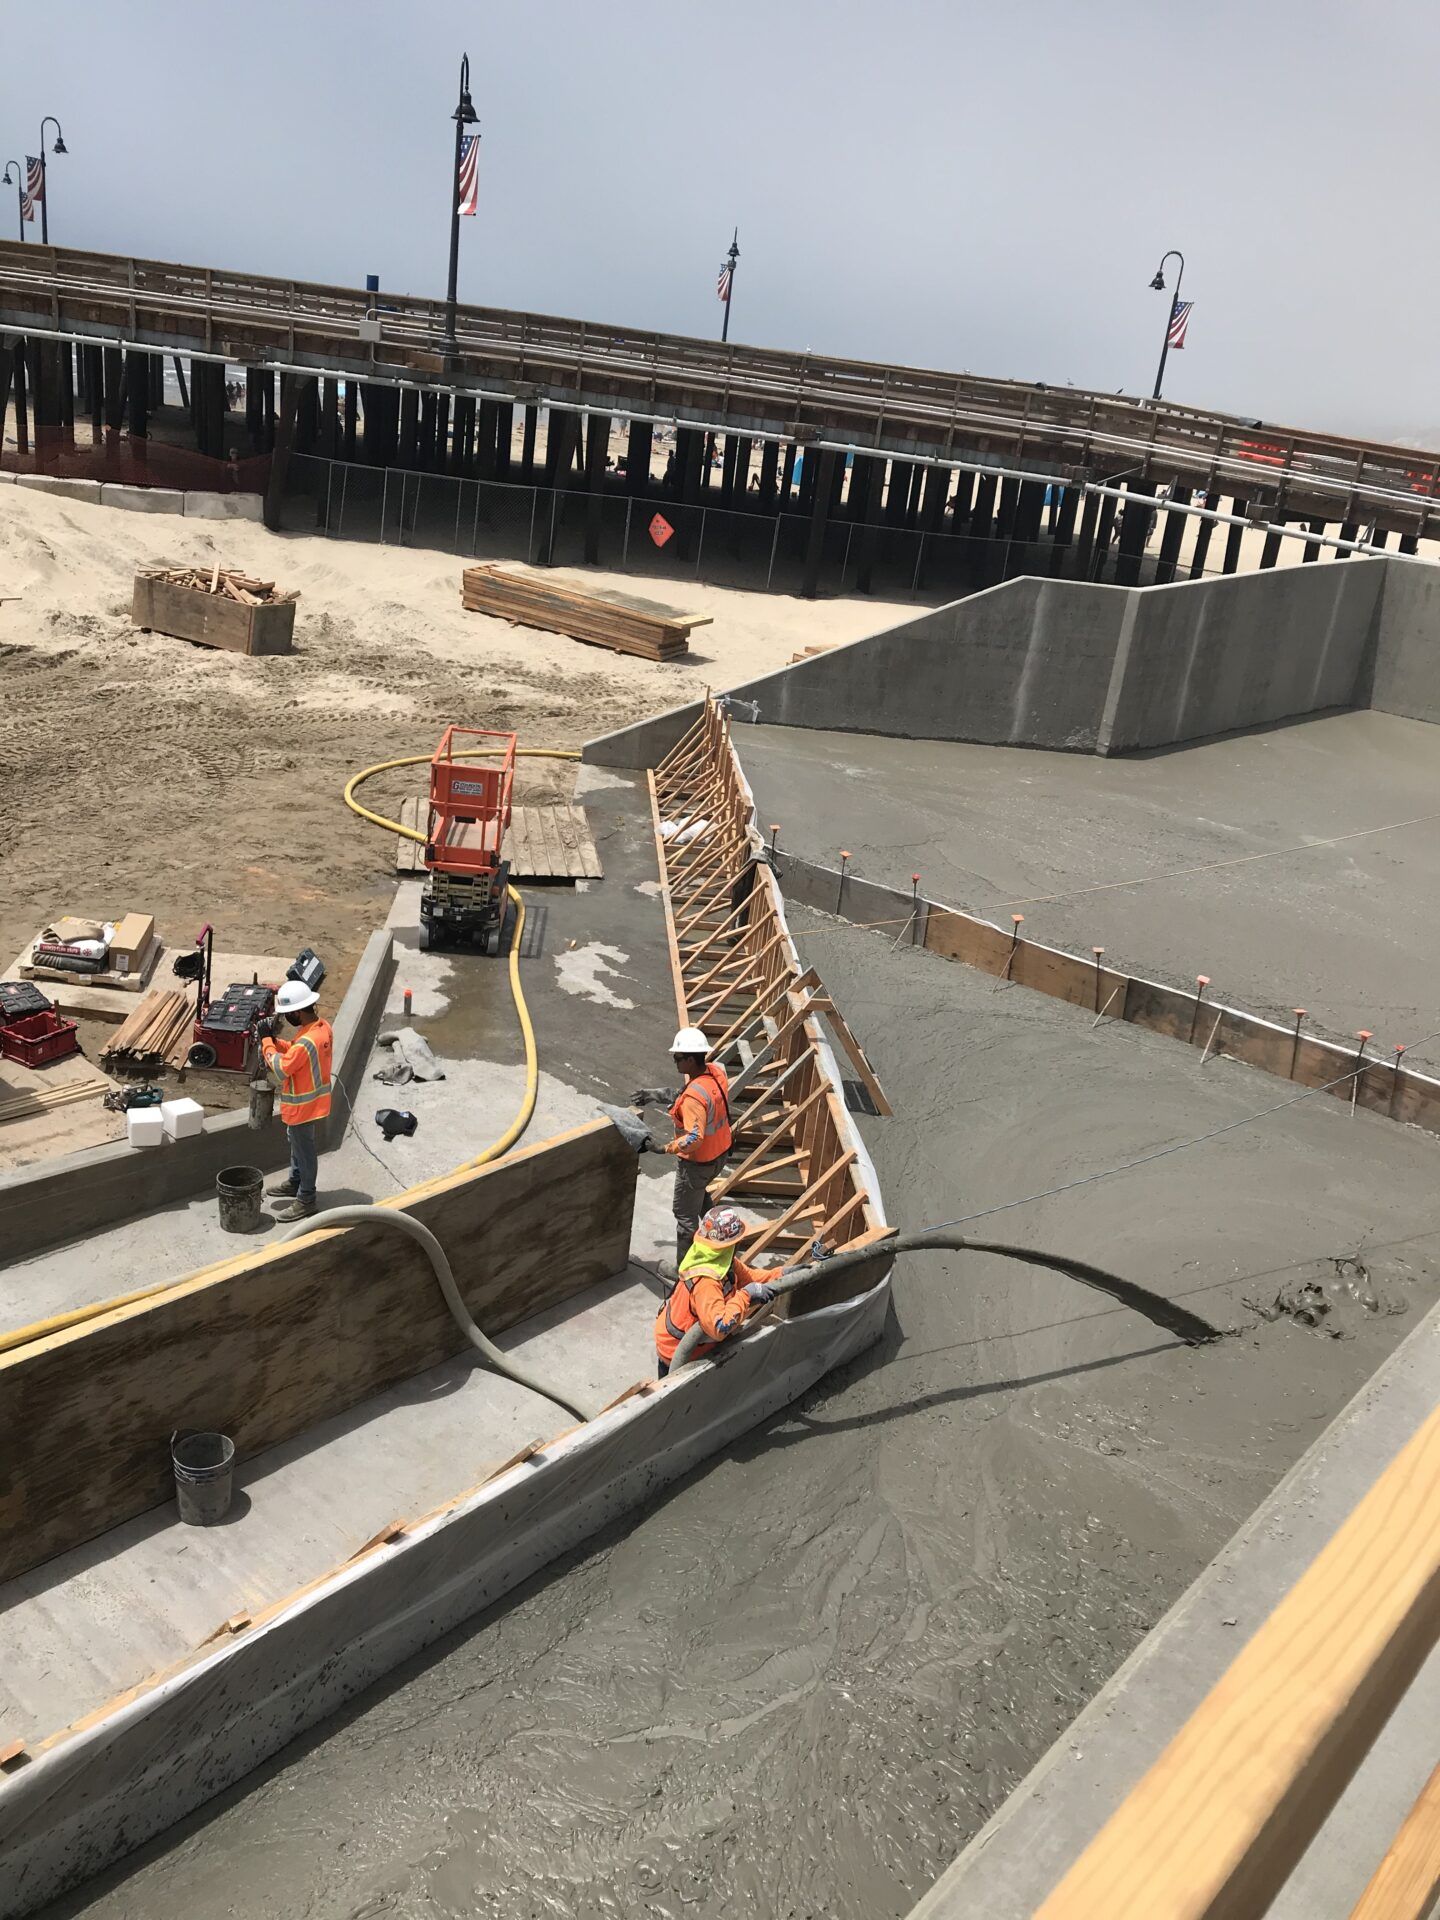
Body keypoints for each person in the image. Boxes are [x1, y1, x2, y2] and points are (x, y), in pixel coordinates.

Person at [654, 1205, 777, 1377]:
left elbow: (752, 1277)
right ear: (732, 1244)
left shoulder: (722, 1262)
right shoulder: (706, 1282)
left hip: (693, 1347)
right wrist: (746, 1295)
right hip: (677, 1354)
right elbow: (720, 1327)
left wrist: (783, 1273)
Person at [260, 979, 334, 1222]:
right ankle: (295, 1182)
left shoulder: (306, 1042)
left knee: (304, 1151)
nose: (286, 1019)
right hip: (313, 1103)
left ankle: (306, 1199)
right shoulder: (321, 1028)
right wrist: (275, 1041)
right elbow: (293, 1049)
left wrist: (266, 1043)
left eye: (288, 1014)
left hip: (303, 1106)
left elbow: (281, 1068)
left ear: (298, 1012)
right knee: (297, 1143)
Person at [662, 1025, 732, 1264]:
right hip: (720, 1155)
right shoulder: (716, 1073)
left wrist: (666, 1147)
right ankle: (722, 1235)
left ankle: (684, 1273)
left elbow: (694, 1139)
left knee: (684, 1217)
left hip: (697, 1163)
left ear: (691, 1060)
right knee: (700, 1196)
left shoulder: (694, 1097)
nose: (675, 1062)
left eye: (678, 1058)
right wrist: (657, 1094)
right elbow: (698, 1094)